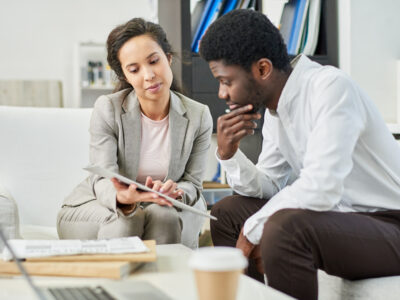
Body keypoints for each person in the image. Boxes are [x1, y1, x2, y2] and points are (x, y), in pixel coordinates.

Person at [199, 9, 400, 300]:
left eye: (226, 81)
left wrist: (254, 230)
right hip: (341, 218)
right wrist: (228, 154)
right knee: (226, 214)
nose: (222, 93)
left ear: (263, 69)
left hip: (390, 223)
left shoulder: (330, 88)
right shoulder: (276, 112)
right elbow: (271, 185)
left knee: (284, 229)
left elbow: (322, 188)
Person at [57, 18, 213, 246]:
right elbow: (102, 177)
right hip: (96, 206)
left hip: (159, 206)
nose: (149, 75)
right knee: (128, 219)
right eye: (134, 69)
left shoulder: (198, 116)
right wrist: (122, 198)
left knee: (165, 216)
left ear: (168, 59)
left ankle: (164, 282)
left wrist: (176, 190)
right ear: (125, 76)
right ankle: (117, 282)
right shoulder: (108, 108)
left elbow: (193, 183)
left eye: (154, 61)